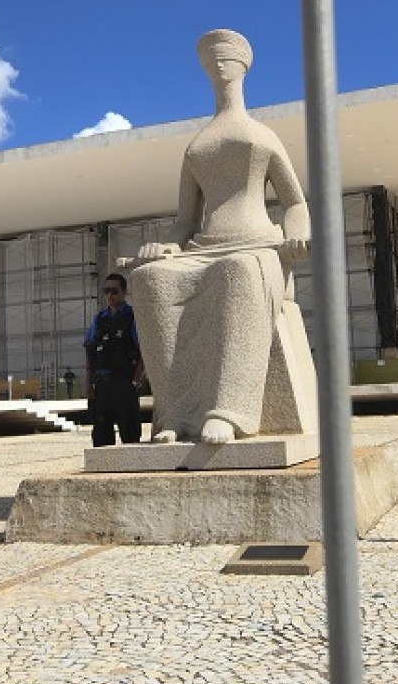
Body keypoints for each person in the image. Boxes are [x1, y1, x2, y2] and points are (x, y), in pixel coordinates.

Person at [124, 29, 311, 444]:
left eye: (226, 60)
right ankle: (173, 412)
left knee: (237, 271)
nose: (219, 67)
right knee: (149, 280)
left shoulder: (261, 136)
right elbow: (185, 220)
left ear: (243, 67)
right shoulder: (197, 147)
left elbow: (295, 203)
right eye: (212, 62)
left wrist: (296, 237)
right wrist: (167, 246)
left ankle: (228, 411)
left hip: (261, 246)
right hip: (204, 247)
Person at [83, 272, 143, 446]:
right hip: (102, 385)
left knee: (130, 434)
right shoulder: (99, 320)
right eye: (106, 291)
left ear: (124, 293)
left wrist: (135, 382)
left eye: (114, 291)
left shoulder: (133, 317)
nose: (110, 295)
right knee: (101, 436)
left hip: (124, 383)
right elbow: (90, 351)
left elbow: (143, 352)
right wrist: (89, 384)